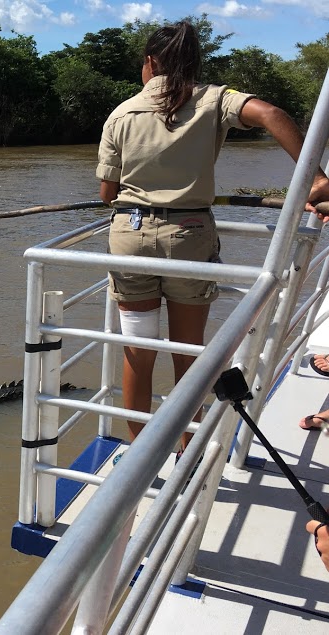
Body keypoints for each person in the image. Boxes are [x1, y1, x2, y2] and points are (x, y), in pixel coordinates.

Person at [96, 21, 329, 460]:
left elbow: (108, 194)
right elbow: (274, 116)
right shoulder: (213, 99)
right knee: (187, 353)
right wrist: (316, 179)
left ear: (149, 62)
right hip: (189, 236)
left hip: (129, 235)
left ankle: (140, 454)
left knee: (138, 350)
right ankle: (189, 452)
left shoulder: (122, 113)